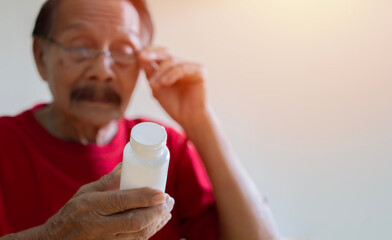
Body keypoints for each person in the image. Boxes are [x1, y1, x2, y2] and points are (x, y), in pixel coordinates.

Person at [0, 0, 280, 239]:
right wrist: (53, 235)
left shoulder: (167, 150)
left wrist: (199, 120)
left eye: (123, 51)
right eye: (81, 47)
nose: (102, 70)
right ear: (40, 56)